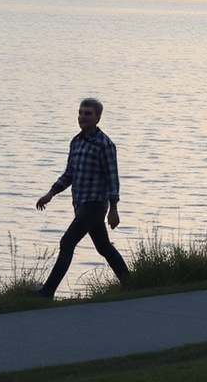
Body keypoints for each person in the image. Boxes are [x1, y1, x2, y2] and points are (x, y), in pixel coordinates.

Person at [32, 98, 130, 298]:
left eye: (88, 114)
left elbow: (113, 178)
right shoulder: (76, 142)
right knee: (103, 247)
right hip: (80, 203)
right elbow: (69, 174)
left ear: (98, 117)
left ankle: (47, 292)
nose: (82, 117)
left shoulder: (105, 144)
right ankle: (131, 283)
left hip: (95, 205)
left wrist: (114, 209)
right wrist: (50, 193)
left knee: (67, 243)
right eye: (80, 113)